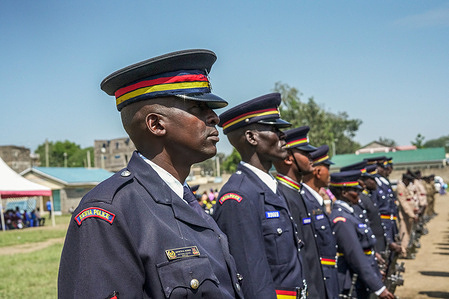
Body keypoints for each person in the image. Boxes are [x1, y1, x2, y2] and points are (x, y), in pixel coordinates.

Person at [58, 49, 244, 298]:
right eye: (199, 108)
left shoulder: (184, 198)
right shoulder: (110, 211)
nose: (214, 118)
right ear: (156, 124)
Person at [213, 93, 307, 298]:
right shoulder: (238, 196)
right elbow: (253, 279)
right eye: (275, 129)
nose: (283, 136)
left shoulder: (271, 187)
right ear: (251, 137)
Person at [273, 127, 330, 299]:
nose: (311, 158)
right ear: (289, 158)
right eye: (306, 153)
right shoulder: (283, 195)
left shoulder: (297, 193)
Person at [329, 170, 394, 299]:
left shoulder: (350, 214)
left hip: (361, 279)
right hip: (353, 281)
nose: (359, 194)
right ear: (344, 193)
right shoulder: (341, 220)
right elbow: (355, 255)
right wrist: (378, 287)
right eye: (355, 190)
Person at [296, 143, 340, 299]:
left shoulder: (316, 200)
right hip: (318, 277)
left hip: (327, 275)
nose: (330, 174)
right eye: (328, 168)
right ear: (318, 171)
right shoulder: (304, 200)